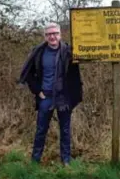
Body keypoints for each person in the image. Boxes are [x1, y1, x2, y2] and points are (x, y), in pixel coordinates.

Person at [18, 23, 83, 166]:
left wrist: (73, 95)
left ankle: (66, 160)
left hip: (63, 97)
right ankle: (35, 160)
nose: (52, 36)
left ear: (60, 34)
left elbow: (76, 75)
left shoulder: (70, 52)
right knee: (41, 129)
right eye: (49, 34)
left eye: (55, 33)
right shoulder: (38, 52)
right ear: (45, 36)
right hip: (45, 96)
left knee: (65, 130)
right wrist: (37, 91)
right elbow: (29, 74)